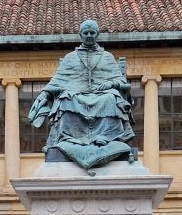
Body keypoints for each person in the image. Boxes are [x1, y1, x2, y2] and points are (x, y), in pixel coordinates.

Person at [27, 18, 137, 170]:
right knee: (65, 99)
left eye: (92, 33)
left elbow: (121, 81)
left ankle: (105, 137)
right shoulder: (70, 57)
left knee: (112, 98)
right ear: (80, 35)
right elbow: (58, 80)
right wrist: (44, 95)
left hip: (102, 94)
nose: (89, 35)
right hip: (76, 95)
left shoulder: (107, 56)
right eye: (86, 33)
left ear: (97, 34)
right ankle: (70, 139)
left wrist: (111, 84)